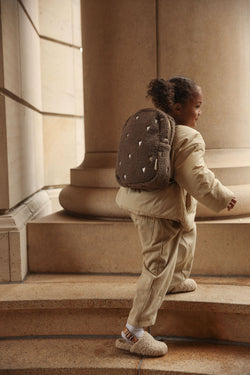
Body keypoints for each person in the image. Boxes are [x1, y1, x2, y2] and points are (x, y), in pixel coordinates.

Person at [115, 77, 237, 357]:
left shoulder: (154, 129)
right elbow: (197, 177)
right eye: (197, 106)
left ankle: (176, 279)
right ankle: (132, 333)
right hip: (158, 210)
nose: (200, 112)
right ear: (179, 107)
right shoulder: (187, 136)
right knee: (157, 263)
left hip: (144, 203)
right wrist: (222, 195)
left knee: (184, 236)